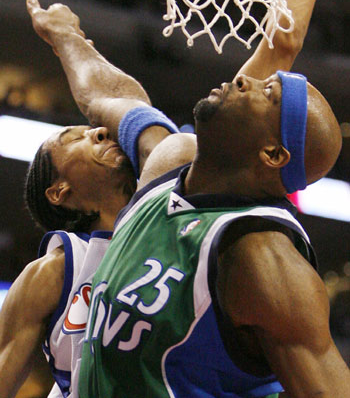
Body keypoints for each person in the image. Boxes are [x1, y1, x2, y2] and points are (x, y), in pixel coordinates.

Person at [0, 0, 320, 397]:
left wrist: (68, 37)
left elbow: (116, 100)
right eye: (73, 137)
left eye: (95, 128)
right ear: (59, 192)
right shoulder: (59, 269)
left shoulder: (183, 188)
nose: (98, 131)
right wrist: (66, 37)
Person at [79, 72, 350, 396]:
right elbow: (109, 94)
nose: (243, 79)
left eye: (268, 92)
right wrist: (63, 31)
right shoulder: (165, 170)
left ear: (274, 154)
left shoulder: (263, 257)